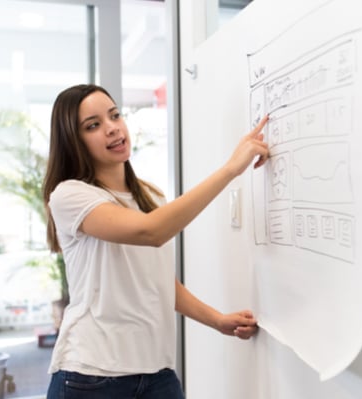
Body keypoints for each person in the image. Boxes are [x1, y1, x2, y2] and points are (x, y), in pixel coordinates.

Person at [42, 83, 269, 399]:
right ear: (74, 141)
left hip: (157, 374)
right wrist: (231, 169)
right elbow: (151, 232)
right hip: (91, 375)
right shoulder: (70, 195)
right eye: (93, 125)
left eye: (114, 116)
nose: (112, 129)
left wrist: (217, 320)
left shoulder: (150, 197)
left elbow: (159, 283)